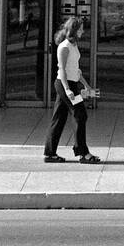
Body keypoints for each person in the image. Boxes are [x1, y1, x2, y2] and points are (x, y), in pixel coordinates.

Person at [43, 17, 101, 164]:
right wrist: (68, 89)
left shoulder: (73, 45)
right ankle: (83, 153)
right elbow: (62, 70)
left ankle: (50, 154)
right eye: (81, 28)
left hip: (71, 84)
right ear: (74, 30)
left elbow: (76, 70)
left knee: (59, 118)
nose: (83, 30)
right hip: (64, 85)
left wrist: (87, 86)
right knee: (80, 114)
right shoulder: (64, 47)